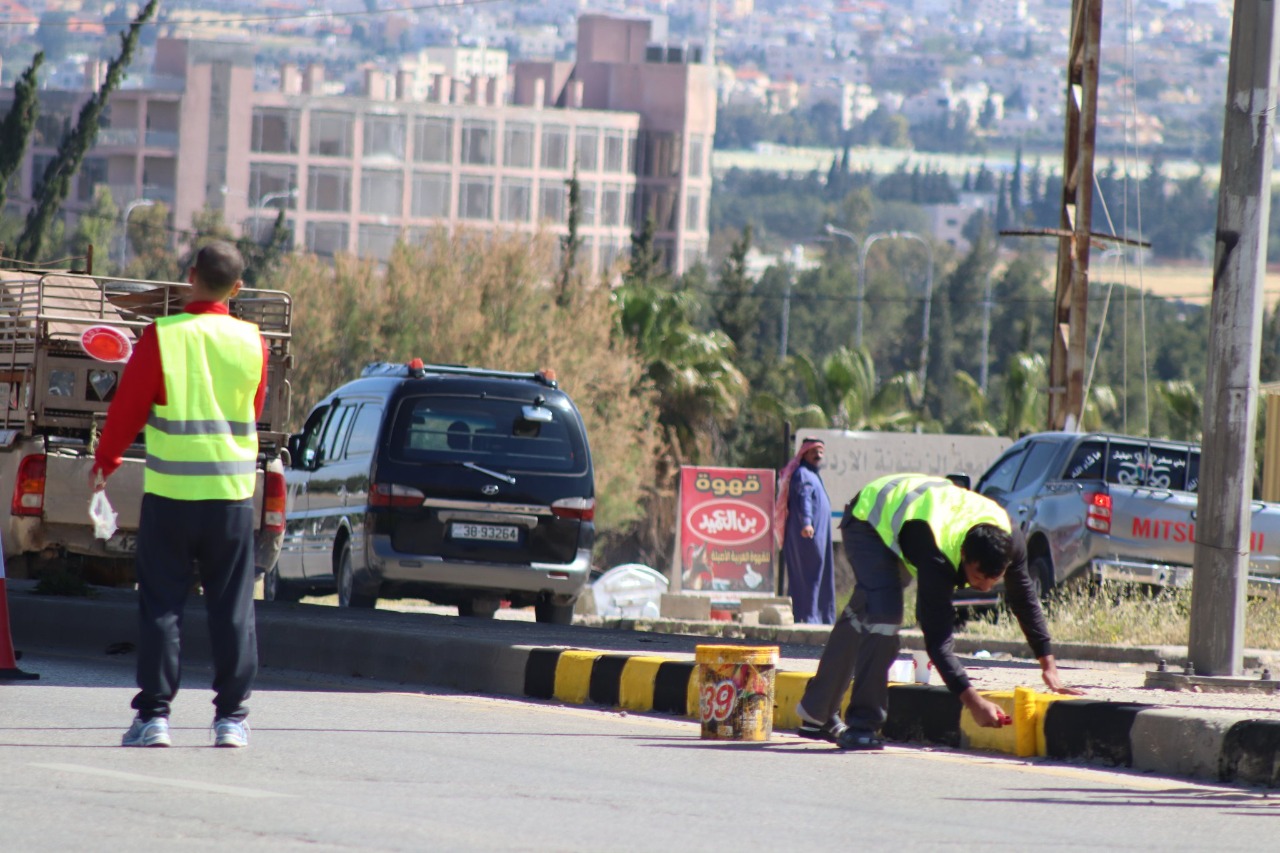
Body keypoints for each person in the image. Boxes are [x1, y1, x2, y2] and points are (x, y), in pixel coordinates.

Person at [92, 241, 269, 749]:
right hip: (231, 498)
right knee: (233, 608)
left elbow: (128, 408)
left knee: (162, 607)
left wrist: (105, 463)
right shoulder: (253, 342)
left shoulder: (162, 337)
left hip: (170, 497)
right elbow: (251, 410)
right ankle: (231, 719)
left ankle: (154, 719)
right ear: (237, 289)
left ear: (190, 276)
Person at [794, 473, 1082, 749]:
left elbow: (1024, 599)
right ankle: (862, 725)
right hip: (869, 517)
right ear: (964, 556)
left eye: (993, 581)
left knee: (862, 615)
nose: (983, 588)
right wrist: (973, 702)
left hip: (908, 515)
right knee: (884, 615)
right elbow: (937, 639)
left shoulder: (1011, 541)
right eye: (978, 577)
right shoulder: (937, 551)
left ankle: (815, 711)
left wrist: (1049, 665)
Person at [775, 437, 836, 624]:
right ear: (804, 454)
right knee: (809, 575)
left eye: (820, 452)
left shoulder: (813, 474)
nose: (818, 455)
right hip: (807, 535)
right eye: (813, 452)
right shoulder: (802, 474)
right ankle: (808, 618)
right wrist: (807, 523)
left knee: (819, 575)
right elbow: (804, 499)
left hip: (816, 535)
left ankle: (819, 618)